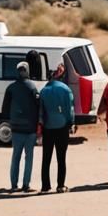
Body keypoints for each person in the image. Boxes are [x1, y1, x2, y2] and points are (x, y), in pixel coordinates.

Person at [2, 60, 39, 192]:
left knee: (15, 157)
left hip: (16, 128)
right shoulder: (32, 87)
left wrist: (11, 121)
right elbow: (38, 106)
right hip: (30, 129)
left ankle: (13, 185)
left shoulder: (11, 88)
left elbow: (4, 110)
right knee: (29, 158)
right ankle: (26, 185)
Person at [39, 63, 75, 193]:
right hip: (62, 127)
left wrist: (41, 125)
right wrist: (71, 123)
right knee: (61, 158)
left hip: (48, 128)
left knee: (46, 158)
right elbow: (69, 110)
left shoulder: (44, 90)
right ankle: (60, 185)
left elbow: (41, 112)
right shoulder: (66, 90)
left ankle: (45, 186)